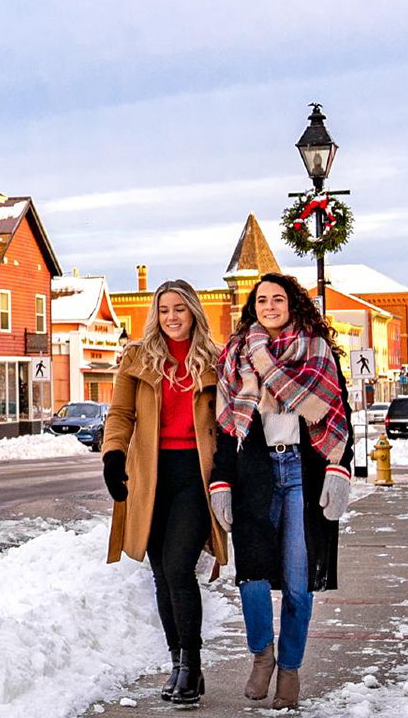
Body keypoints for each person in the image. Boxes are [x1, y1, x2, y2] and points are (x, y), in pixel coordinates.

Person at [209, 273, 355, 710]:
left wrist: (339, 469)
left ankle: (289, 669)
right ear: (252, 307)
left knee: (297, 583)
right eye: (261, 300)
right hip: (255, 474)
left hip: (302, 474)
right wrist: (221, 481)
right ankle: (262, 656)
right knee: (251, 576)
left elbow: (340, 414)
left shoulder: (318, 352)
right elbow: (224, 429)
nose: (269, 306)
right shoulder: (235, 356)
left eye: (278, 299)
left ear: (293, 304)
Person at [101, 280, 228, 708]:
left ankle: (191, 665)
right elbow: (120, 413)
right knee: (160, 573)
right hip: (150, 476)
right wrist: (113, 455)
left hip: (197, 474)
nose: (171, 317)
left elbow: (230, 419)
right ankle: (177, 662)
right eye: (164, 309)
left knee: (177, 568)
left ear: (193, 311)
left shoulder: (215, 359)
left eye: (179, 309)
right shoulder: (137, 358)